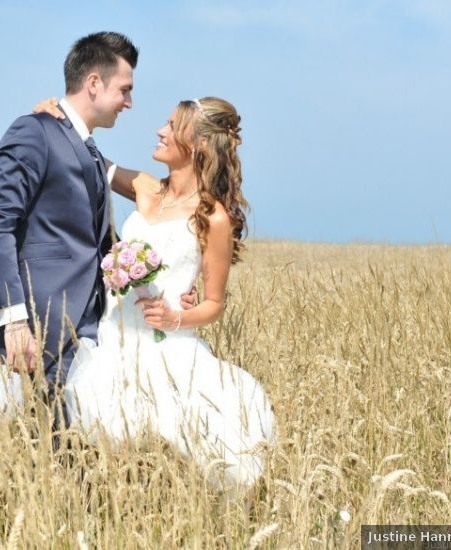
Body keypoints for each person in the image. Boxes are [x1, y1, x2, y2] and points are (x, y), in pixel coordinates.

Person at [32, 95, 277, 490]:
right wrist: (60, 116)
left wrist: (175, 317)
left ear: (196, 143)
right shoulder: (146, 188)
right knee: (94, 448)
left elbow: (214, 303)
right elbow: (92, 159)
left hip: (166, 346)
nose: (160, 131)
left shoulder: (213, 217)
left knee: (168, 447)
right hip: (113, 337)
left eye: (171, 126)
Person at [0, 31, 138, 392]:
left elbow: (100, 244)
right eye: (124, 89)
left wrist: (161, 287)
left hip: (91, 330)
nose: (129, 102)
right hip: (39, 329)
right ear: (94, 83)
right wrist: (14, 320)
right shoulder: (33, 132)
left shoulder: (90, 150)